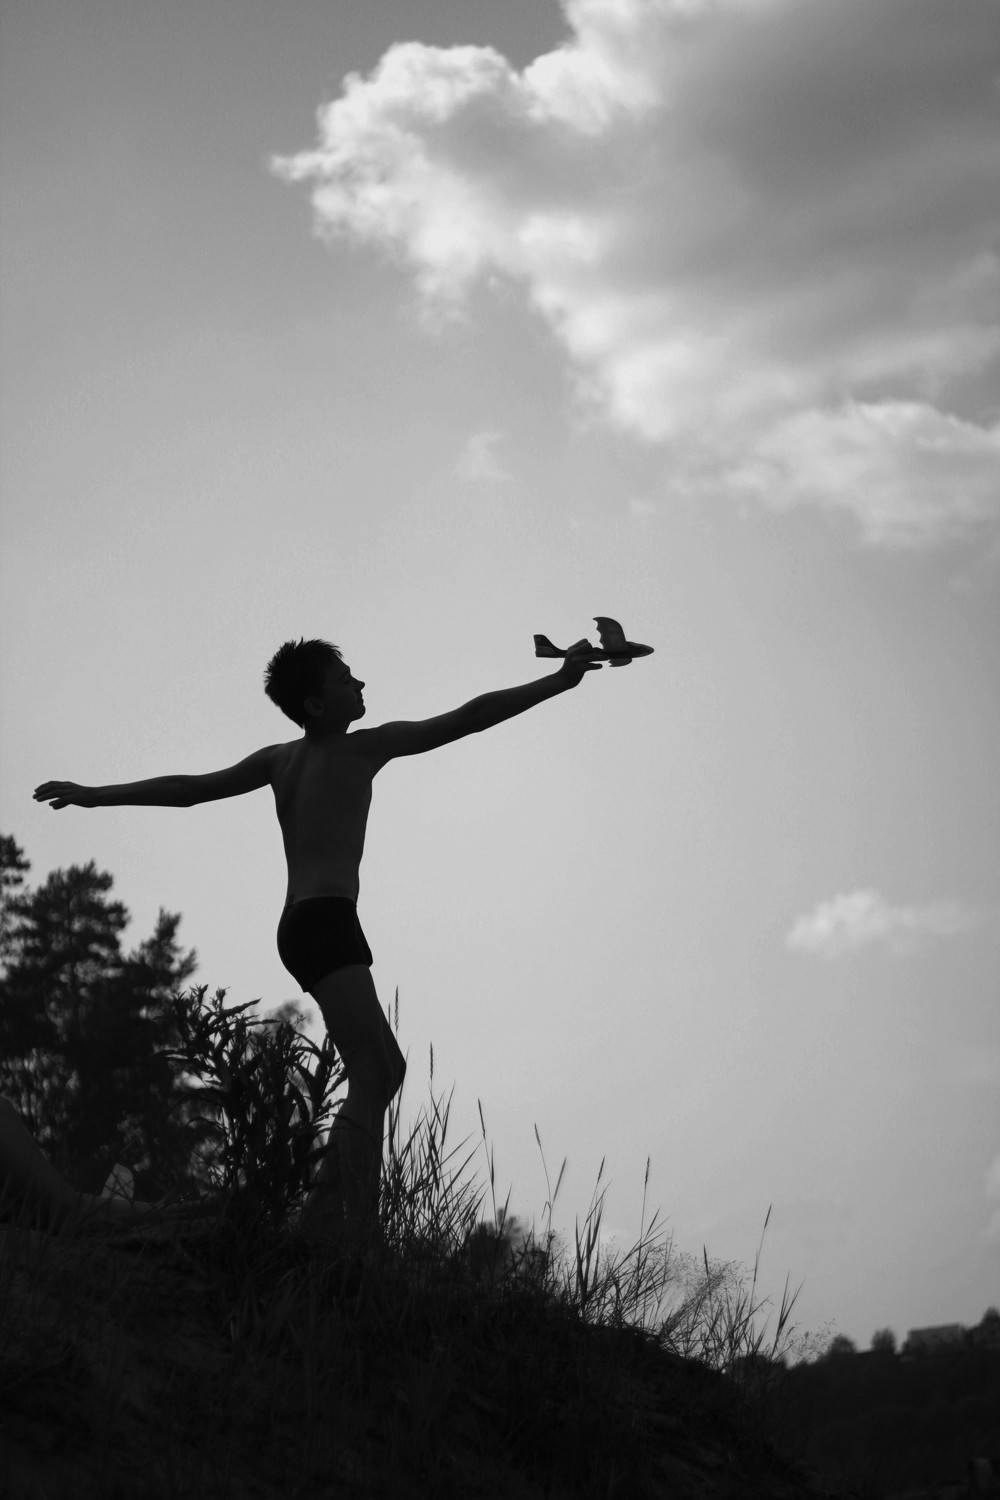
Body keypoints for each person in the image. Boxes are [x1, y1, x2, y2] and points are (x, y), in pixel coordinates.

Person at [33, 635, 603, 1250]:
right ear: (315, 704)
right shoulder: (361, 748)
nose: (360, 684)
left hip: (306, 924)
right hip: (324, 921)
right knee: (374, 1070)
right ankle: (343, 1234)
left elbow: (189, 788)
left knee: (383, 1069)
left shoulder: (280, 760)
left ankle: (329, 1225)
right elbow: (470, 717)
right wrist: (557, 681)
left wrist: (97, 794)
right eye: (345, 678)